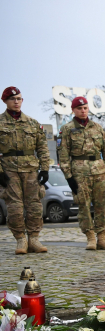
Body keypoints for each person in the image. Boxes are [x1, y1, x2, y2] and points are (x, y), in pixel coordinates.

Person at [59, 96, 105, 252]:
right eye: (79, 109)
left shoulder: (97, 127)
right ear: (73, 110)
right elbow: (63, 154)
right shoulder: (67, 129)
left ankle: (102, 237)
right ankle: (90, 237)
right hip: (80, 172)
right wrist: (68, 176)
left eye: (85, 108)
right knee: (83, 205)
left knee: (102, 204)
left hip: (99, 170)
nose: (83, 111)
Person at [0, 87, 50, 254]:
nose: (16, 101)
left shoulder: (32, 123)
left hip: (30, 169)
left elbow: (42, 147)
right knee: (14, 206)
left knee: (35, 205)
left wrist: (45, 169)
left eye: (19, 98)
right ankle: (20, 239)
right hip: (9, 169)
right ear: (5, 101)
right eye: (13, 98)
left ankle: (34, 238)